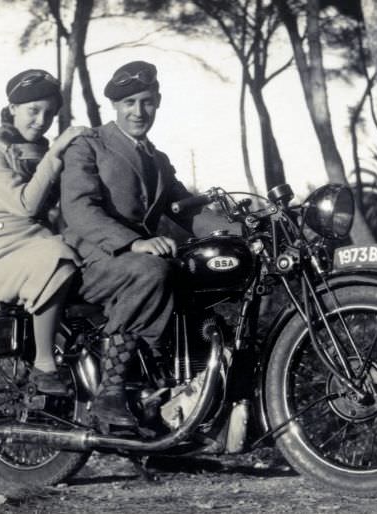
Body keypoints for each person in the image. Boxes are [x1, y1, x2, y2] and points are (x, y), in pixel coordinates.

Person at [60, 60, 228, 429]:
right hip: (90, 261)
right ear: (115, 106)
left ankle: (179, 391)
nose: (139, 111)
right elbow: (79, 209)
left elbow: (186, 211)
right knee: (152, 270)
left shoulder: (158, 160)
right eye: (130, 103)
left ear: (158, 102)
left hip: (132, 263)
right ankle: (111, 392)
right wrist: (135, 243)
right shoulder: (89, 146)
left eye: (146, 102)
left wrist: (240, 234)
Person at [0, 69, 89, 396]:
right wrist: (55, 155)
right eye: (33, 111)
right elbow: (27, 205)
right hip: (4, 254)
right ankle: (44, 365)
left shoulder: (42, 151)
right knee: (57, 257)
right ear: (12, 107)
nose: (41, 121)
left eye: (50, 114)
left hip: (42, 245)